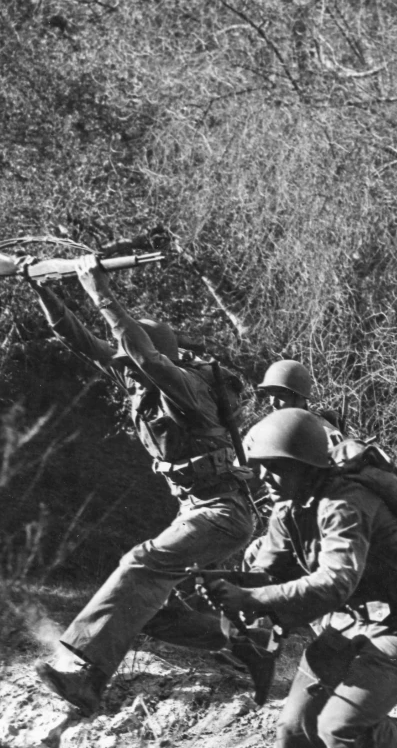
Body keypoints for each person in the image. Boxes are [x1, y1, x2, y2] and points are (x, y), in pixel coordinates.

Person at [202, 410, 397, 748]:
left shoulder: (346, 503)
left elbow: (337, 580)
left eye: (274, 467)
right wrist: (224, 584)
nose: (263, 477)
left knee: (338, 730)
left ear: (306, 466)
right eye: (259, 466)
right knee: (294, 728)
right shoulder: (289, 507)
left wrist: (253, 597)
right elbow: (271, 572)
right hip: (345, 628)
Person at [28, 261, 257, 711]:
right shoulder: (139, 381)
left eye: (129, 362)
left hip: (223, 512)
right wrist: (39, 287)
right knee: (149, 605)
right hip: (195, 509)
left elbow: (146, 357)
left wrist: (102, 294)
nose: (124, 372)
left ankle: (87, 681)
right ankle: (245, 641)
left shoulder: (184, 387)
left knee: (139, 565)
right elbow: (79, 340)